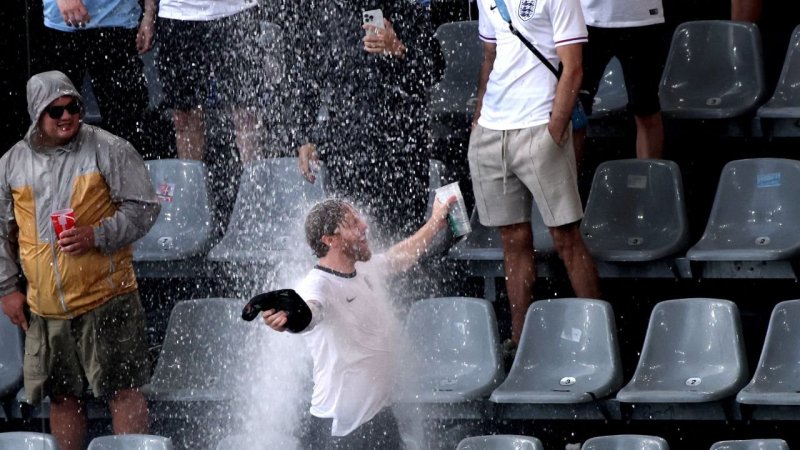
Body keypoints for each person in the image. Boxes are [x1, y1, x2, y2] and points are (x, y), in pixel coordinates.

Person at [0, 71, 160, 450]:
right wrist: (7, 288)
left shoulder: (109, 148)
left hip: (108, 296)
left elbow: (145, 209)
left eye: (72, 106)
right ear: (36, 113)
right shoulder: (11, 163)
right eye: (55, 111)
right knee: (61, 395)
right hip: (46, 305)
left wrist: (96, 234)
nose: (66, 116)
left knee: (123, 390)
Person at [262, 195, 455, 449]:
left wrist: (435, 223)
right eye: (353, 224)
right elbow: (309, 312)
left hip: (380, 417)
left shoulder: (364, 269)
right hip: (341, 431)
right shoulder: (318, 283)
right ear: (329, 240)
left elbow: (402, 256)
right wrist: (290, 318)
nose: (364, 226)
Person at [469, 0, 601, 348]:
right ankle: (520, 338)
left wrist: (554, 129)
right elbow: (489, 56)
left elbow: (573, 68)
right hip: (492, 130)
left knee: (566, 238)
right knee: (512, 241)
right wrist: (477, 119)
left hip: (539, 125)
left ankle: (600, 338)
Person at [288, 0, 446, 243]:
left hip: (401, 155)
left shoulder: (404, 8)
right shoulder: (325, 12)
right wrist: (305, 137)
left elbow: (434, 70)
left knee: (399, 243)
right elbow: (306, 80)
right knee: (348, 243)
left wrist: (398, 48)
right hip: (346, 152)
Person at [155, 0, 281, 164]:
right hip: (178, 12)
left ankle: (254, 182)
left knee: (247, 113)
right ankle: (191, 185)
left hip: (237, 10)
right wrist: (149, 14)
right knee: (184, 116)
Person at [37, 0, 155, 153]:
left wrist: (149, 14)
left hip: (120, 21)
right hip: (62, 24)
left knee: (127, 125)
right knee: (57, 120)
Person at [576, 0, 666, 161]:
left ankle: (648, 180)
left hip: (642, 20)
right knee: (575, 110)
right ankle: (568, 183)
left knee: (646, 109)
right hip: (588, 20)